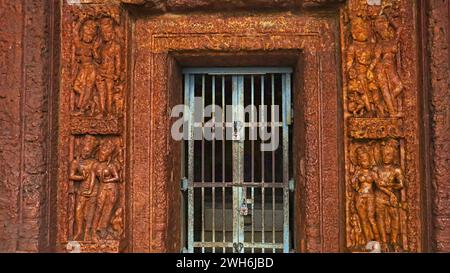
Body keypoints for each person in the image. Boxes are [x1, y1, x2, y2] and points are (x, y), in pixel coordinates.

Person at [374, 140, 406, 252]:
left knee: (395, 218)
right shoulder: (376, 169)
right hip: (379, 197)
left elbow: (401, 185)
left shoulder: (396, 169)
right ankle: (383, 242)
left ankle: (393, 241)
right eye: (383, 154)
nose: (385, 157)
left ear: (393, 155)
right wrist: (389, 190)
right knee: (380, 218)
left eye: (388, 155)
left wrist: (388, 184)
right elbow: (377, 185)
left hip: (392, 198)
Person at [69, 135, 99, 241]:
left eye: (88, 151)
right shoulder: (76, 162)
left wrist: (90, 189)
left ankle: (87, 232)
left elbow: (92, 176)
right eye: (85, 150)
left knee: (90, 211)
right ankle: (79, 231)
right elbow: (71, 175)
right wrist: (81, 177)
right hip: (82, 189)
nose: (86, 152)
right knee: (79, 209)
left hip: (93, 189)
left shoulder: (94, 162)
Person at [91, 140, 121, 239]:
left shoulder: (110, 165)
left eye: (103, 155)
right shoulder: (96, 165)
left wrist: (107, 180)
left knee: (109, 208)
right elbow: (92, 179)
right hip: (102, 188)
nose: (101, 156)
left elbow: (117, 178)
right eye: (100, 154)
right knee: (99, 207)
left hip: (112, 188)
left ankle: (103, 227)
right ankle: (93, 229)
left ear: (108, 156)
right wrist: (90, 190)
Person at [352, 146, 380, 244]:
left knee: (371, 218)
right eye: (363, 160)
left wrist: (390, 193)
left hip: (370, 196)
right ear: (360, 161)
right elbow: (353, 183)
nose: (366, 162)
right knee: (363, 220)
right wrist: (356, 187)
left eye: (367, 159)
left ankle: (379, 242)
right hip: (360, 196)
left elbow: (379, 185)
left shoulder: (372, 173)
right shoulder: (358, 172)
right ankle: (368, 242)